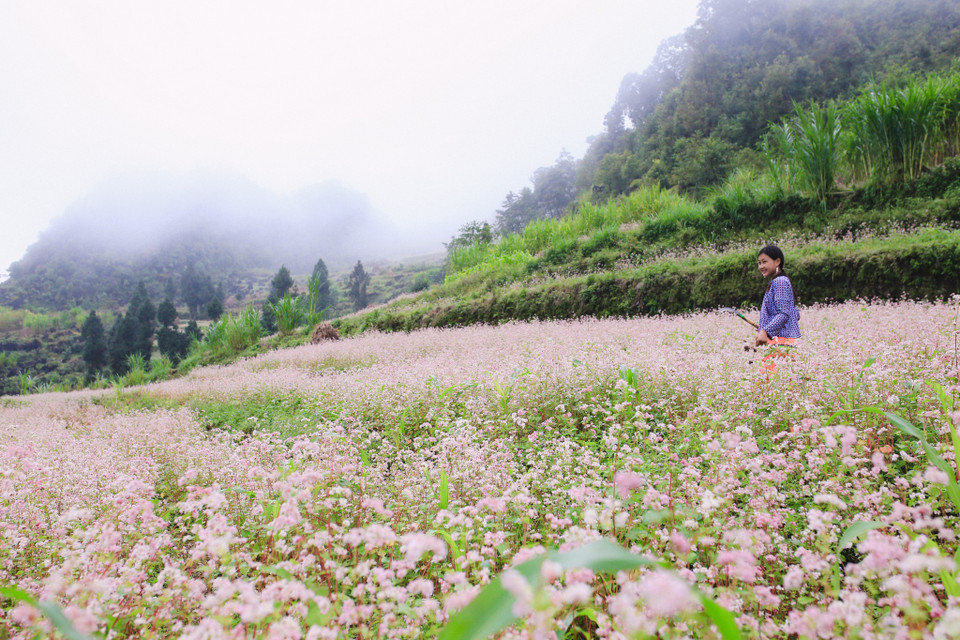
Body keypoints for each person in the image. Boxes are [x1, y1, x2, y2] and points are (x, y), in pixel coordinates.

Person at [754, 245, 800, 371]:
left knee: (772, 382)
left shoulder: (780, 282)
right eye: (759, 263)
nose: (761, 266)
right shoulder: (777, 282)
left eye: (764, 262)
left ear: (777, 261)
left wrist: (765, 331)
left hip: (780, 342)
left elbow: (784, 314)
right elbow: (793, 313)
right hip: (780, 342)